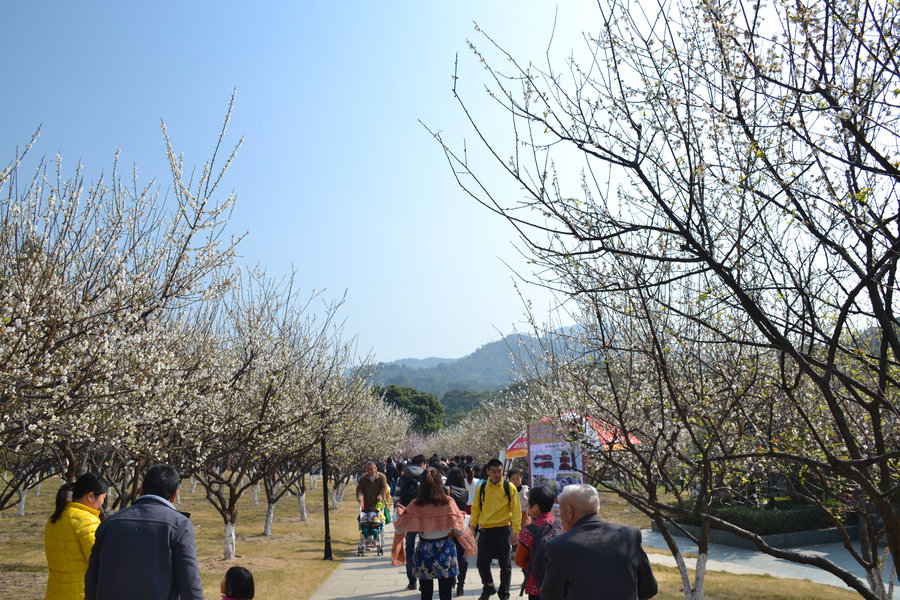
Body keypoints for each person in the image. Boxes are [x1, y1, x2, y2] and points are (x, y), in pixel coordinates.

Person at [84, 464, 204, 600]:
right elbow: (189, 582)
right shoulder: (179, 525)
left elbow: (92, 579)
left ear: (141, 490)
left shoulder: (109, 523)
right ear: (174, 495)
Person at [540, 484, 657, 600]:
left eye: (560, 511)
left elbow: (549, 596)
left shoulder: (560, 546)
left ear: (569, 513)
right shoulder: (629, 536)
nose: (560, 516)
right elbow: (649, 589)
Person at [393, 468, 475, 600]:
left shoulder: (416, 504)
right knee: (445, 594)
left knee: (425, 594)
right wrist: (466, 519)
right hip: (445, 549)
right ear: (440, 484)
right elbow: (460, 529)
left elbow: (400, 529)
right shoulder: (448, 502)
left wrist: (397, 515)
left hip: (425, 550)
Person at [44, 472, 109, 600]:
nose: (103, 503)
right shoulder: (86, 521)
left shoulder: (56, 517)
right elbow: (99, 563)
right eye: (103, 498)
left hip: (55, 592)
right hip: (79, 594)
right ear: (91, 496)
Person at [470, 458, 521, 600]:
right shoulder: (481, 488)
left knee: (506, 566)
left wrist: (516, 531)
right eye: (494, 472)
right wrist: (472, 527)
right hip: (485, 531)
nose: (498, 475)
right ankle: (489, 587)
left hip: (503, 531)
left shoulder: (508, 487)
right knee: (481, 563)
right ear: (487, 472)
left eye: (500, 472)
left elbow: (516, 510)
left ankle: (504, 594)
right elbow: (475, 509)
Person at [514, 486, 560, 600]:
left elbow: (519, 561)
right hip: (559, 583)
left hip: (537, 585)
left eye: (529, 503)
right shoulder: (560, 524)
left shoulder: (528, 531)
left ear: (536, 507)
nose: (527, 505)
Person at [397, 454, 428, 590]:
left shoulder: (402, 478)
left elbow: (396, 499)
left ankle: (412, 581)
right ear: (422, 464)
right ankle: (424, 581)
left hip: (408, 518)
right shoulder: (426, 477)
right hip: (423, 519)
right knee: (425, 549)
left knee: (409, 551)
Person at [445, 467, 470, 596]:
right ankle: (461, 584)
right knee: (462, 556)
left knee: (449, 555)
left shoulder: (446, 490)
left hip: (449, 528)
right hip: (461, 527)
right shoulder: (465, 491)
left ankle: (452, 579)